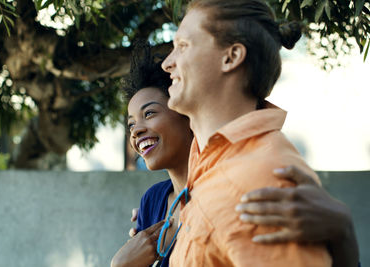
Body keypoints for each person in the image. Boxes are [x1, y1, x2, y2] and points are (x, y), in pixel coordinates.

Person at [111, 41, 359, 267]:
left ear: (186, 112)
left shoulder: (242, 184)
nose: (136, 130)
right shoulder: (152, 201)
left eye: (150, 113)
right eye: (131, 124)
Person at [160, 0, 358, 266]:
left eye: (182, 46)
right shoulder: (204, 162)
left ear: (230, 57)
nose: (167, 63)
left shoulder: (262, 177)